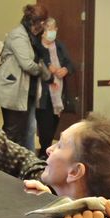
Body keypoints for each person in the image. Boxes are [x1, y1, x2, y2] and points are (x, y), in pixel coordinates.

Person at [0, 3, 54, 150]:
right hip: (13, 90)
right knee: (12, 133)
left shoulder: (32, 36)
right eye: (42, 22)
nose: (42, 26)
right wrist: (42, 71)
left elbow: (38, 60)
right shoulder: (18, 35)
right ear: (34, 21)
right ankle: (5, 167)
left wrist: (48, 77)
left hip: (27, 91)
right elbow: (27, 64)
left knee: (26, 131)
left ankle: (23, 165)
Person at [35, 17, 74, 154]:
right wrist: (48, 69)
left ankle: (47, 152)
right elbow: (36, 66)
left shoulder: (60, 46)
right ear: (43, 31)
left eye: (53, 29)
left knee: (53, 125)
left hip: (58, 93)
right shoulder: (37, 46)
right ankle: (44, 153)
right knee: (44, 127)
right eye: (48, 29)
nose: (51, 32)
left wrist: (65, 69)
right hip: (43, 93)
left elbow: (70, 64)